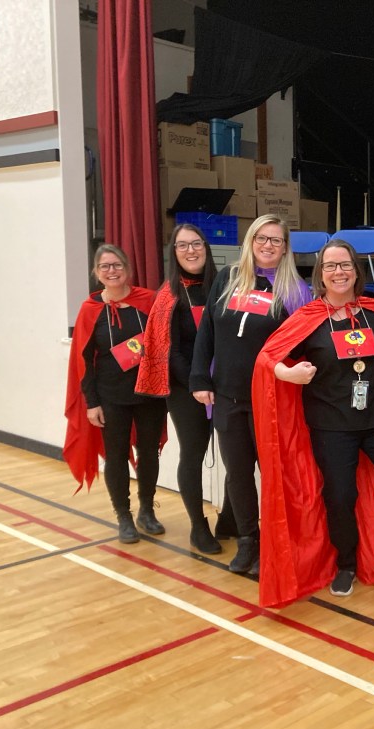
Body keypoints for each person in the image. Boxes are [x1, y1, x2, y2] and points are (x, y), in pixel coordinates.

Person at [253, 240, 374, 607]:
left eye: (345, 264)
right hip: (331, 427)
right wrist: (288, 374)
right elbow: (270, 357)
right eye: (330, 266)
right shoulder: (308, 319)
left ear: (356, 270)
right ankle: (346, 563)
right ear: (320, 274)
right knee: (340, 497)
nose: (339, 272)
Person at [190, 214, 312, 576]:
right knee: (239, 475)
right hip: (227, 396)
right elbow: (207, 330)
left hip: (270, 400)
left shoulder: (295, 290)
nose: (267, 245)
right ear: (250, 242)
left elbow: (302, 346)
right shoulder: (228, 278)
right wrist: (200, 377)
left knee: (273, 476)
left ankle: (274, 544)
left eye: (276, 240)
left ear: (285, 248)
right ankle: (248, 541)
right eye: (261, 238)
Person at [64, 244, 167, 543]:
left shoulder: (148, 300)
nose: (112, 271)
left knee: (148, 453)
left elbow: (164, 341)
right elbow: (83, 361)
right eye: (105, 266)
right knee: (116, 455)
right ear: (96, 273)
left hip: (149, 392)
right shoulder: (90, 309)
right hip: (110, 395)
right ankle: (124, 515)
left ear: (127, 269)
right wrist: (92, 403)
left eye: (117, 265)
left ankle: (147, 510)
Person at [136, 224, 224, 555]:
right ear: (173, 252)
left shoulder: (224, 284)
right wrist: (197, 385)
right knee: (193, 455)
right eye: (182, 245)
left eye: (196, 244)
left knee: (236, 456)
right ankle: (198, 527)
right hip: (187, 389)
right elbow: (168, 350)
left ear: (206, 247)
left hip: (226, 386)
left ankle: (230, 521)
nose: (190, 251)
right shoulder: (168, 295)